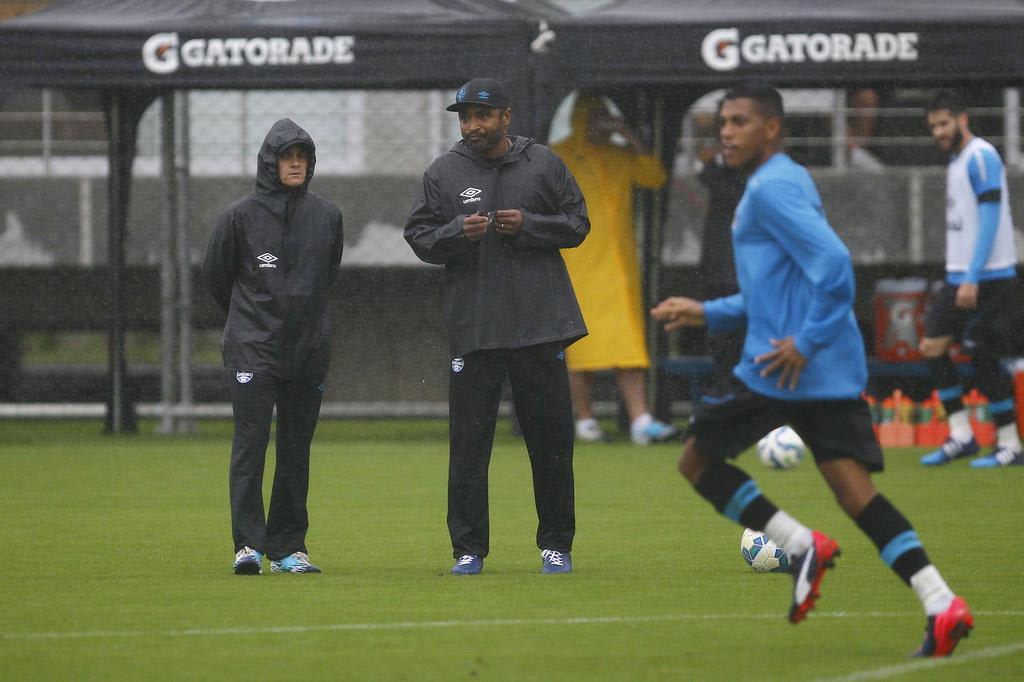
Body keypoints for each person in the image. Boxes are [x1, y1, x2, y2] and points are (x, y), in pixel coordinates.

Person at [650, 81, 973, 657]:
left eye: (740, 121)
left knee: (696, 461)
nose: (726, 131)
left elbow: (835, 270)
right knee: (857, 495)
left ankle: (800, 546)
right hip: (827, 373)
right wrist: (705, 310)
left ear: (772, 128)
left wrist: (803, 341)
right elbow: (776, 290)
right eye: (722, 121)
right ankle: (941, 602)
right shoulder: (791, 177)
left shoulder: (769, 189)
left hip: (781, 368)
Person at [405, 78, 589, 576]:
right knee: (468, 447)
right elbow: (418, 237)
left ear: (506, 117)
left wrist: (528, 225)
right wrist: (454, 234)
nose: (471, 126)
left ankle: (556, 545)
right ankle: (468, 550)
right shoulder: (443, 173)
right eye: (464, 117)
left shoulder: (543, 163)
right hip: (477, 328)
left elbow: (577, 223)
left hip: (539, 326)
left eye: (481, 116)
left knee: (551, 444)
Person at [203, 118, 344, 575]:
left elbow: (328, 275)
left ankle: (288, 547)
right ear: (270, 162)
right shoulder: (239, 217)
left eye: (302, 155)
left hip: (308, 350)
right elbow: (217, 278)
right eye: (287, 155)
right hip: (252, 348)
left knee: (296, 447)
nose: (296, 162)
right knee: (251, 443)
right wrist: (252, 320)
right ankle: (247, 545)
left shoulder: (328, 216)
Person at [552, 94, 679, 445]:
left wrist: (630, 136)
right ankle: (586, 420)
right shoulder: (560, 154)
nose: (603, 123)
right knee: (581, 346)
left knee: (628, 344)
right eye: (596, 116)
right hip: (578, 262)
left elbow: (655, 176)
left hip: (619, 267)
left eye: (608, 116)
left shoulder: (621, 155)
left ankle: (641, 421)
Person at [919, 91, 1022, 468]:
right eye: (933, 127)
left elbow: (992, 217)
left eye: (944, 123)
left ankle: (1010, 443)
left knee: (983, 355)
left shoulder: (980, 156)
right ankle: (962, 435)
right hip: (960, 275)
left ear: (963, 119)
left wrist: (973, 276)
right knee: (932, 345)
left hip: (989, 277)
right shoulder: (958, 161)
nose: (939, 132)